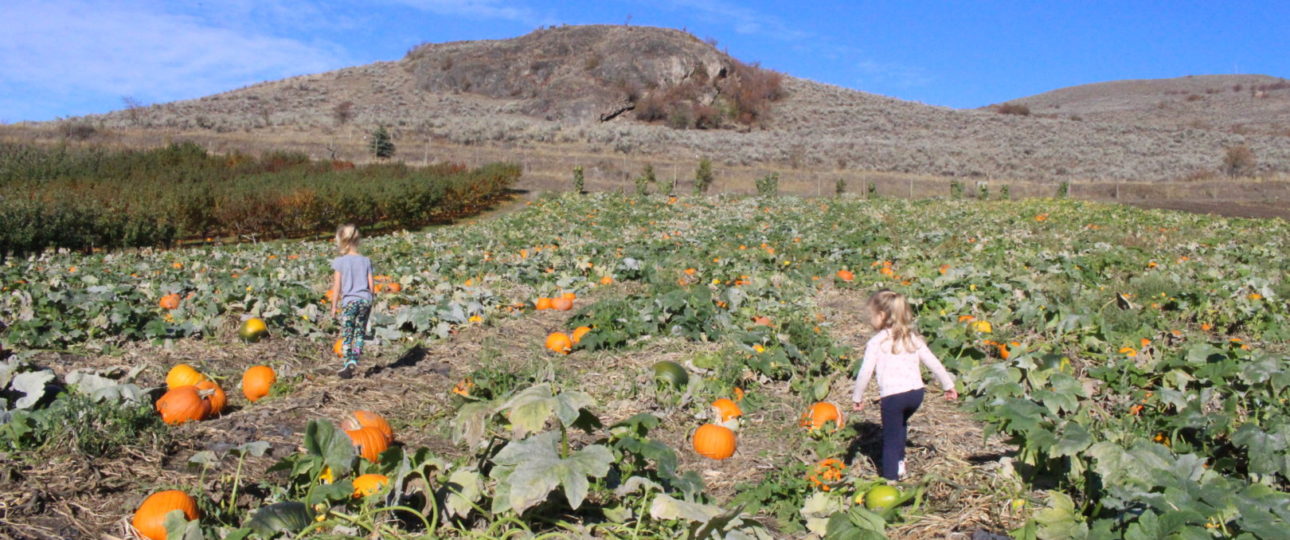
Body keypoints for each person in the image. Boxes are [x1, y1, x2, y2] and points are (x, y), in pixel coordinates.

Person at [852, 289, 957, 481]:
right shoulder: (912, 337)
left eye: (872, 316)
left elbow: (865, 372)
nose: (870, 321)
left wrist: (857, 397)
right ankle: (900, 465)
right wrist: (948, 384)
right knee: (900, 427)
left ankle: (890, 479)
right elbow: (933, 362)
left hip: (894, 397)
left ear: (882, 316)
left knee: (890, 438)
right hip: (916, 394)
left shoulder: (876, 342)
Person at [329, 224, 374, 379]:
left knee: (348, 333)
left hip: (349, 302)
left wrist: (334, 306)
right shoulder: (366, 261)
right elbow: (371, 285)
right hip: (365, 300)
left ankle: (348, 363)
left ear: (342, 241)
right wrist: (370, 302)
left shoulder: (340, 262)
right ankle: (356, 358)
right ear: (358, 240)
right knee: (360, 332)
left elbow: (337, 287)